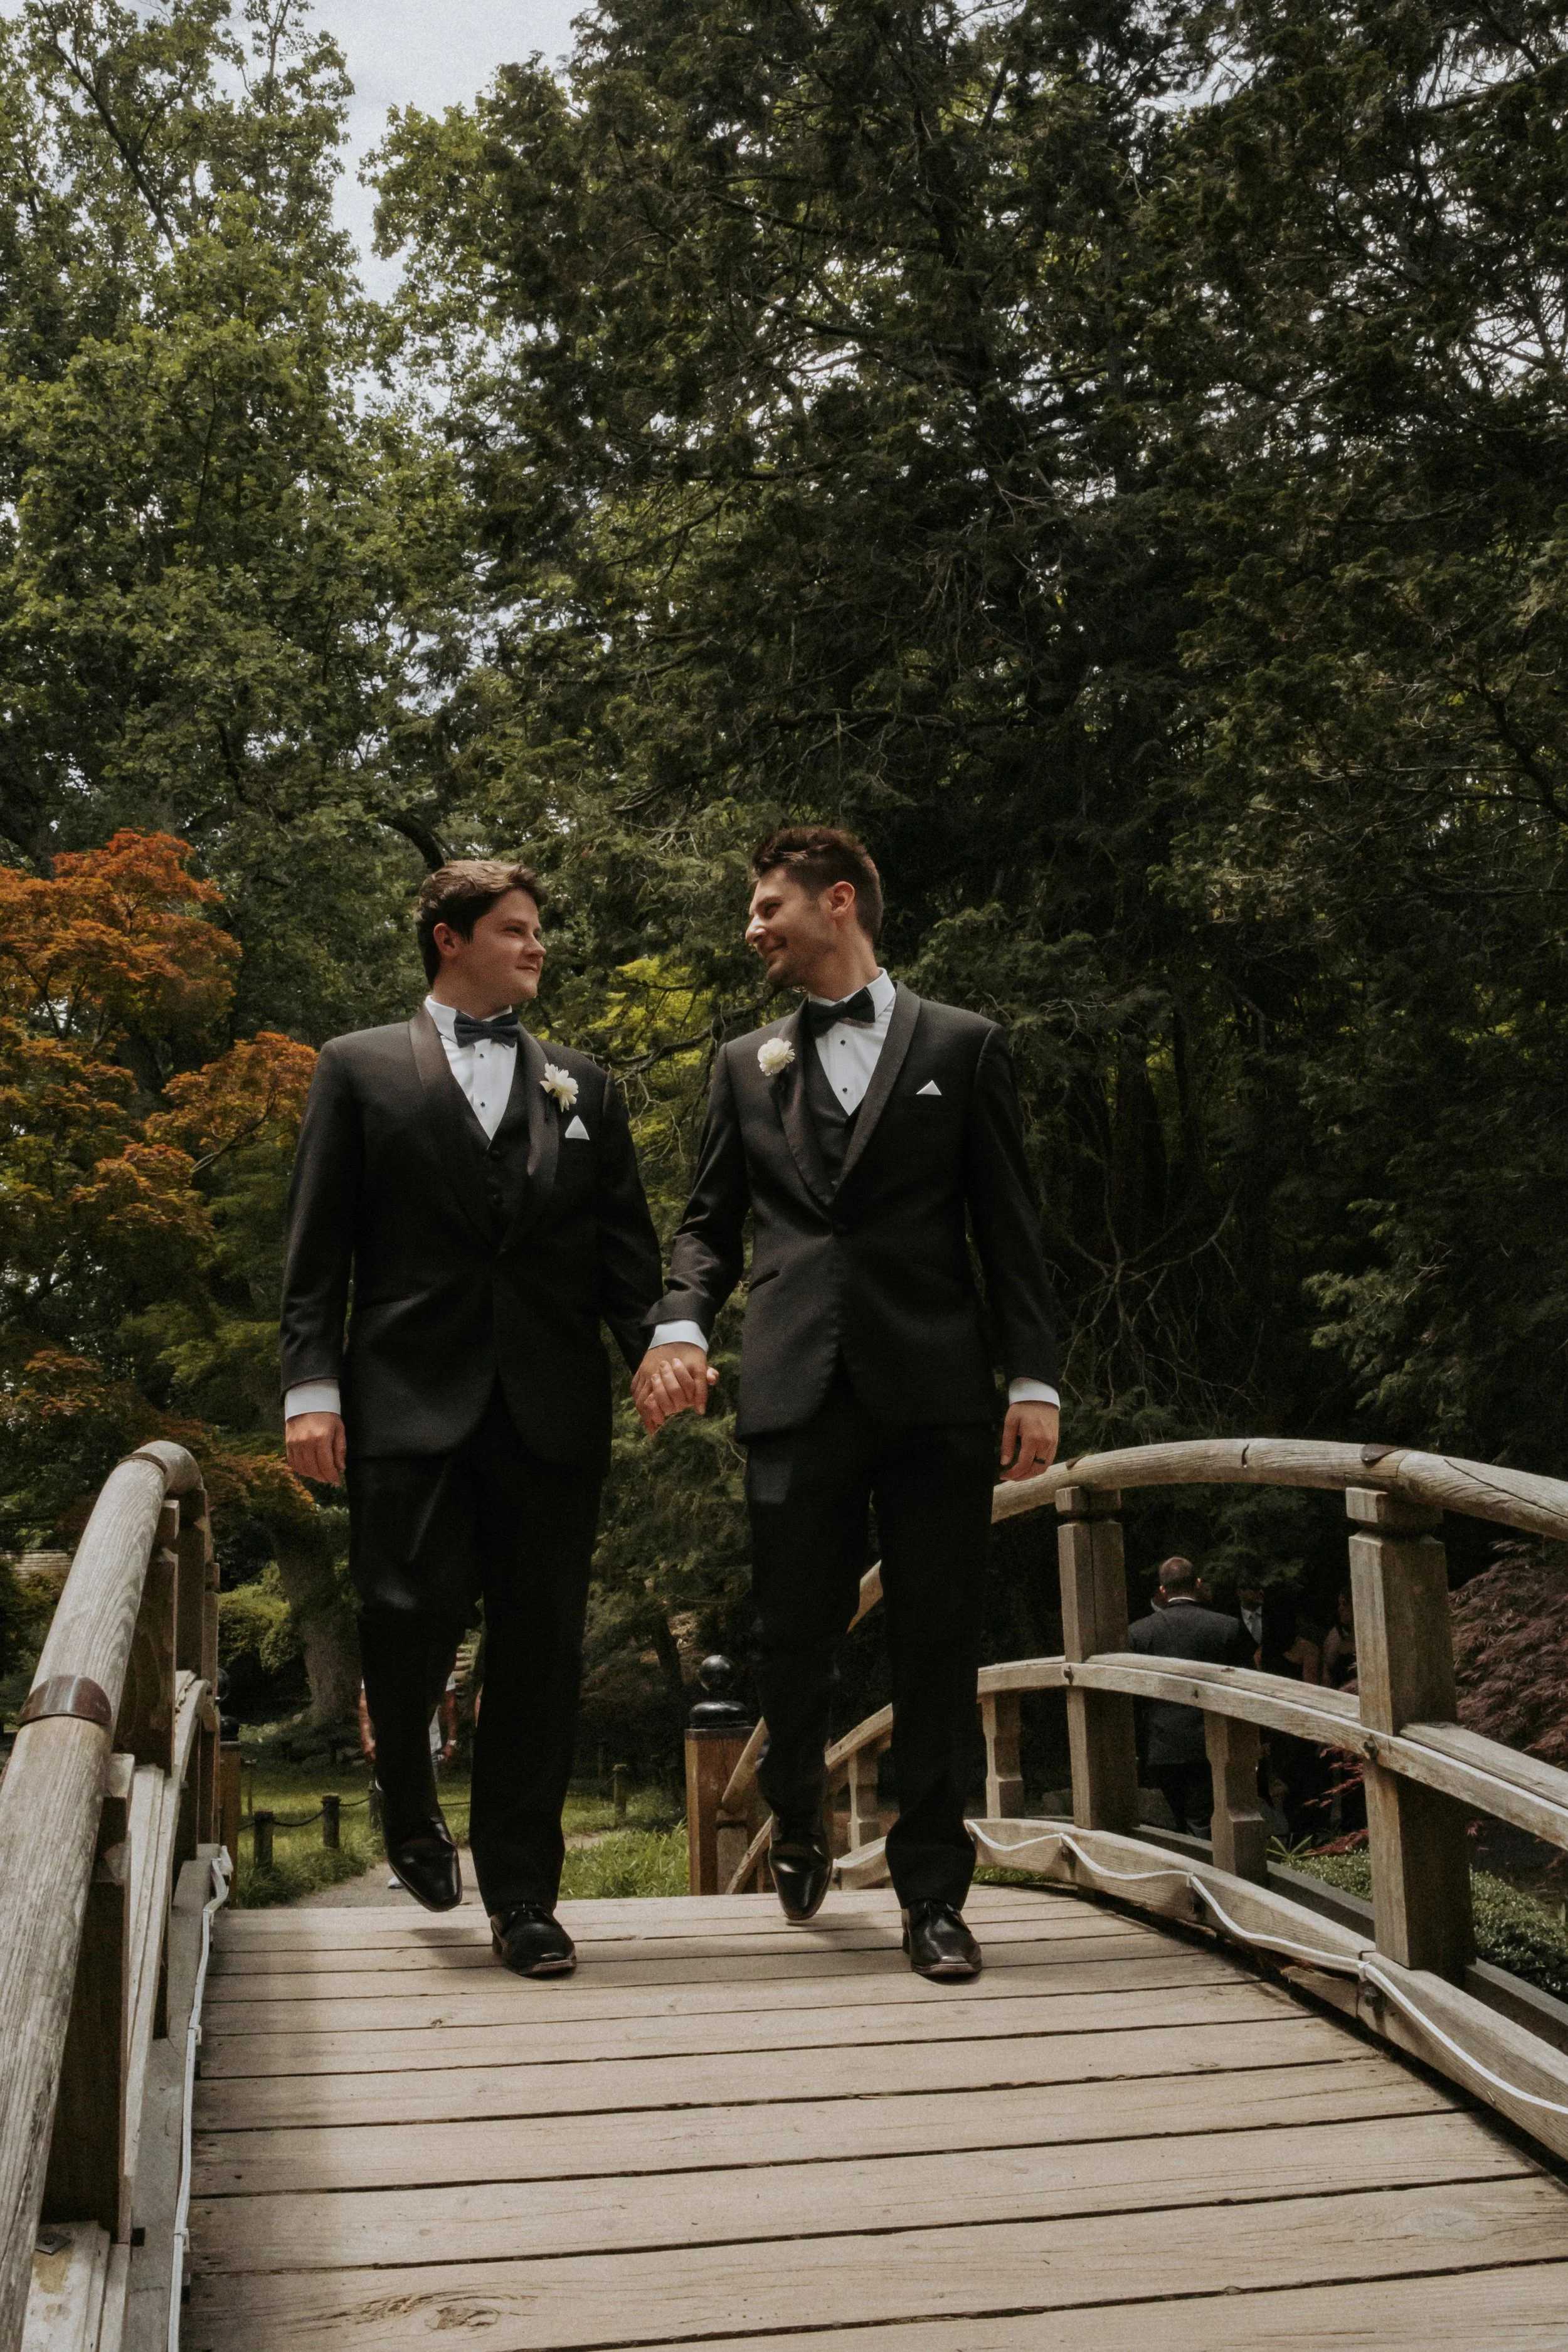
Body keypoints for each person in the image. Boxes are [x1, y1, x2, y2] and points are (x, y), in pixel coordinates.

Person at [632, 825, 1061, 1981]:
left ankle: (933, 1894)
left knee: (935, 1644)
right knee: (796, 1639)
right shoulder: (743, 1064)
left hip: (934, 1392)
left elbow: (1007, 1230)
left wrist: (1034, 1381)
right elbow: (707, 1228)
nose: (753, 927)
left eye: (769, 906)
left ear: (838, 902)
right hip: (791, 1386)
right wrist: (679, 1323)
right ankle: (795, 1802)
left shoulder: (964, 1048)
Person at [279, 859, 663, 1977]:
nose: (539, 946)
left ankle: (525, 1899)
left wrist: (658, 1353)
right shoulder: (355, 1070)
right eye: (517, 929)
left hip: (551, 1413)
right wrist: (312, 1390)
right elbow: (319, 1251)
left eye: (539, 930)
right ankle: (406, 1791)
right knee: (406, 1621)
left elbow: (625, 1260)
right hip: (404, 1401)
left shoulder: (586, 1087)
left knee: (541, 1653)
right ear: (451, 940)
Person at [1126, 1558, 1252, 1836]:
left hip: (1163, 1743)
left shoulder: (1139, 1633)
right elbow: (1249, 1684)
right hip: (1212, 1740)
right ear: (1197, 1584)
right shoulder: (1227, 1627)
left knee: (1180, 1819)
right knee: (1203, 1818)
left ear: (1162, 1591)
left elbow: (1135, 1697)